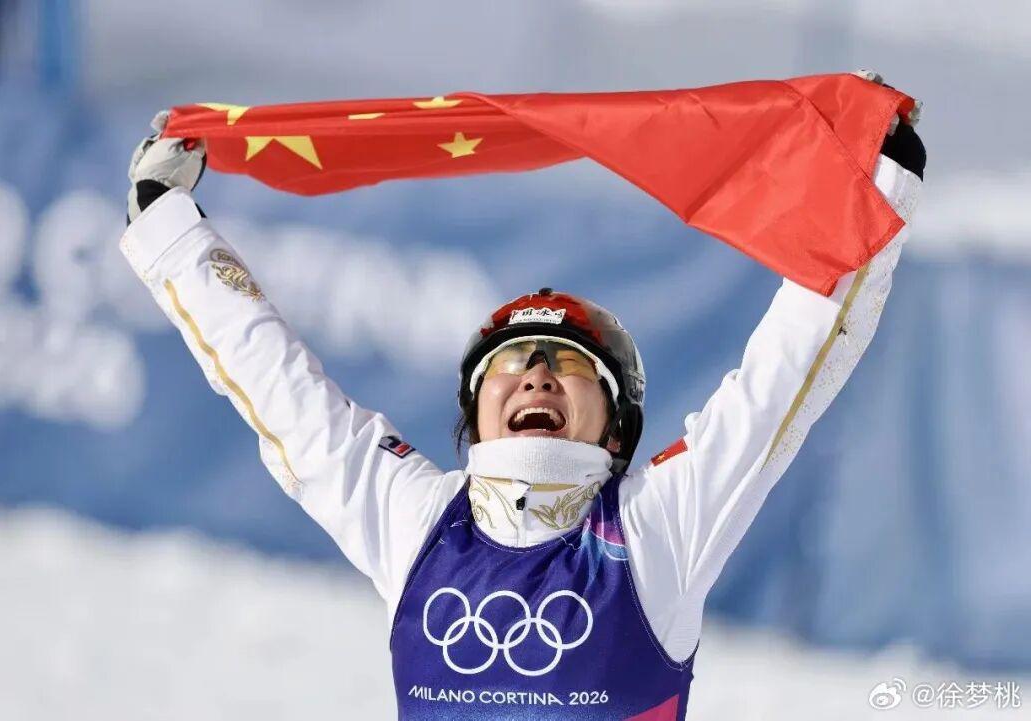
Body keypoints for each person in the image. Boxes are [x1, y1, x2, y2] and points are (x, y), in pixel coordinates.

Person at [120, 80, 925, 720]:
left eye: (569, 365)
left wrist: (871, 187)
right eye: (508, 364)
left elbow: (787, 374)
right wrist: (172, 233)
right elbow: (281, 390)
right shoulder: (418, 523)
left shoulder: (657, 530)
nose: (536, 374)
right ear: (472, 418)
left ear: (616, 432)